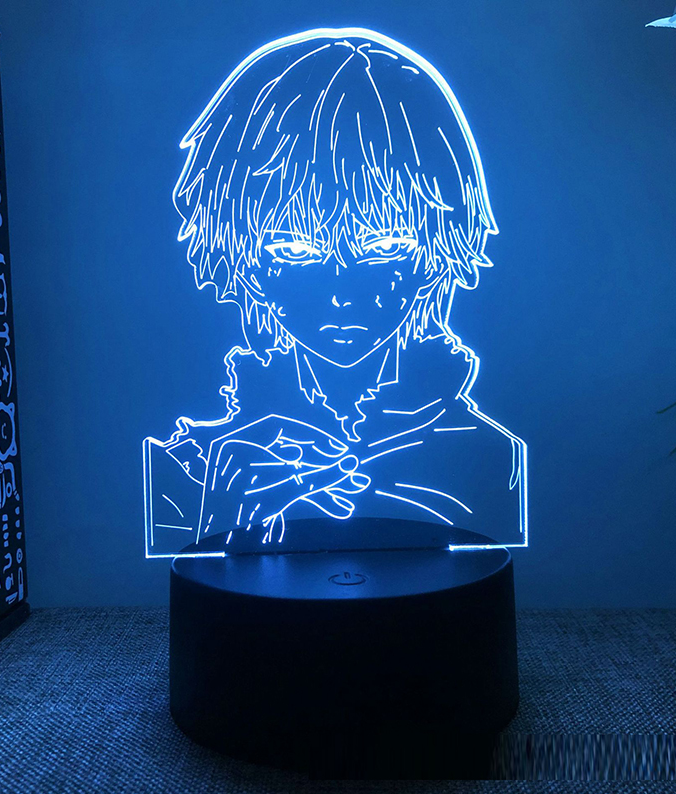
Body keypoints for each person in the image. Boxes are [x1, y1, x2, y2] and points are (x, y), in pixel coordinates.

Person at [143, 28, 527, 556]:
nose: (341, 292)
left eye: (384, 246)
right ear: (244, 259)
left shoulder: (494, 460)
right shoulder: (185, 469)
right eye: (295, 249)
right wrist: (218, 531)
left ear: (436, 251)